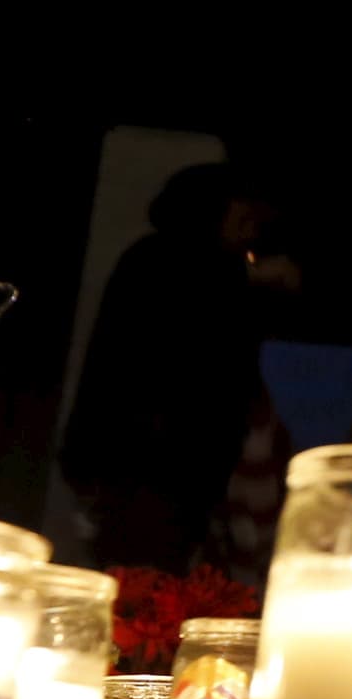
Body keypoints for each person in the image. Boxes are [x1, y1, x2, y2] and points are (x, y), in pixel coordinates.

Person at [60, 165, 287, 572]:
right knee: (144, 584)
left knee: (144, 581)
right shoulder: (178, 264)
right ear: (212, 210)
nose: (252, 232)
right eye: (244, 217)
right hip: (149, 467)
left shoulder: (156, 259)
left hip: (153, 469)